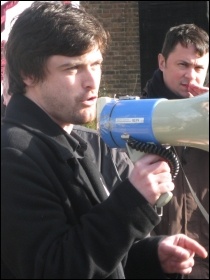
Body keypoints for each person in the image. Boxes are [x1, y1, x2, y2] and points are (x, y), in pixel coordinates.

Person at [1, 3, 208, 279]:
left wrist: (150, 255)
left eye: (96, 64)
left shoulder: (71, 140)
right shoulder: (12, 154)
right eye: (72, 68)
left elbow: (88, 250)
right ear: (28, 73)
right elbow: (54, 268)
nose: (92, 82)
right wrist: (133, 200)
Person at [141, 23, 209, 279]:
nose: (191, 76)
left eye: (199, 67)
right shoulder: (137, 120)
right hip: (159, 262)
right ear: (162, 62)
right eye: (183, 65)